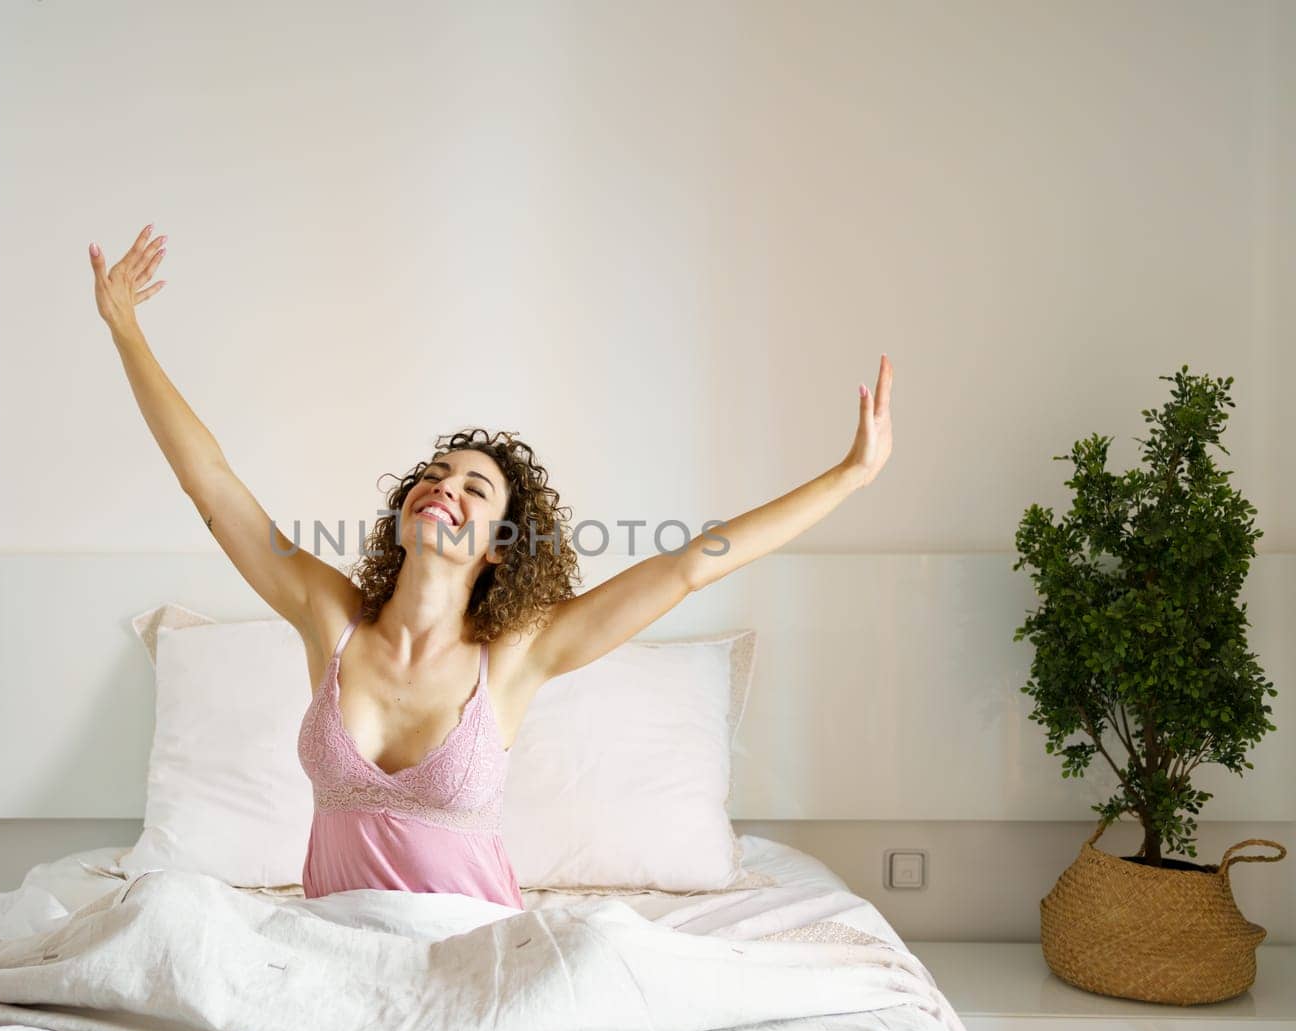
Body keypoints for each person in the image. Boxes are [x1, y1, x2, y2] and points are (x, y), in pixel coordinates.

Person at [89, 223, 895, 910]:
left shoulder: (512, 657)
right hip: (333, 951)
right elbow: (213, 485)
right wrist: (125, 329)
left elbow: (688, 567)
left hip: (471, 957)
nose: (445, 487)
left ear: (499, 545)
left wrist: (849, 475)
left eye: (476, 488)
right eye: (434, 477)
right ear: (405, 511)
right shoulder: (327, 618)